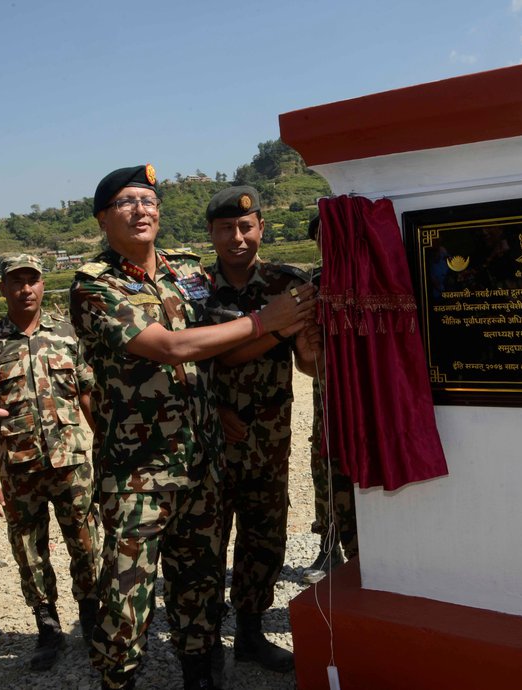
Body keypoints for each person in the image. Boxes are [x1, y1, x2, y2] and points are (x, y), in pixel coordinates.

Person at [69, 165, 315, 690]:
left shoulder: (187, 272)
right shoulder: (94, 285)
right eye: (127, 203)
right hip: (140, 471)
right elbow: (172, 347)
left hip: (200, 460)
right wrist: (266, 323)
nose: (142, 210)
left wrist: (284, 329)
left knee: (197, 584)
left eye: (149, 200)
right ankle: (119, 679)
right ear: (102, 219)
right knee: (127, 591)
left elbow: (216, 347)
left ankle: (200, 676)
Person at [205, 186, 320, 673]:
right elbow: (192, 358)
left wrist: (312, 342)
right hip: (210, 436)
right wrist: (274, 328)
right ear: (211, 233)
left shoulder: (285, 283)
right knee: (206, 541)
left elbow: (310, 365)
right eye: (226, 228)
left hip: (270, 436)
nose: (237, 237)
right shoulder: (191, 287)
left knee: (264, 537)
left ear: (261, 229)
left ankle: (250, 633)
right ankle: (203, 642)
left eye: (246, 227)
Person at [0, 253, 99, 672]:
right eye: (15, 282)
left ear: (41, 284)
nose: (25, 289)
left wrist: (105, 448)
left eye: (32, 280)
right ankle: (48, 627)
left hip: (71, 463)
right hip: (19, 471)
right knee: (29, 553)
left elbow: (88, 394)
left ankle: (90, 618)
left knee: (86, 545)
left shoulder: (68, 336)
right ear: (2, 289)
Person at [302, 214, 358, 584]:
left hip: (366, 397)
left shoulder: (369, 279)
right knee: (326, 465)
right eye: (321, 238)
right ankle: (328, 543)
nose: (328, 244)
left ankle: (362, 551)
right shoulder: (316, 283)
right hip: (329, 395)